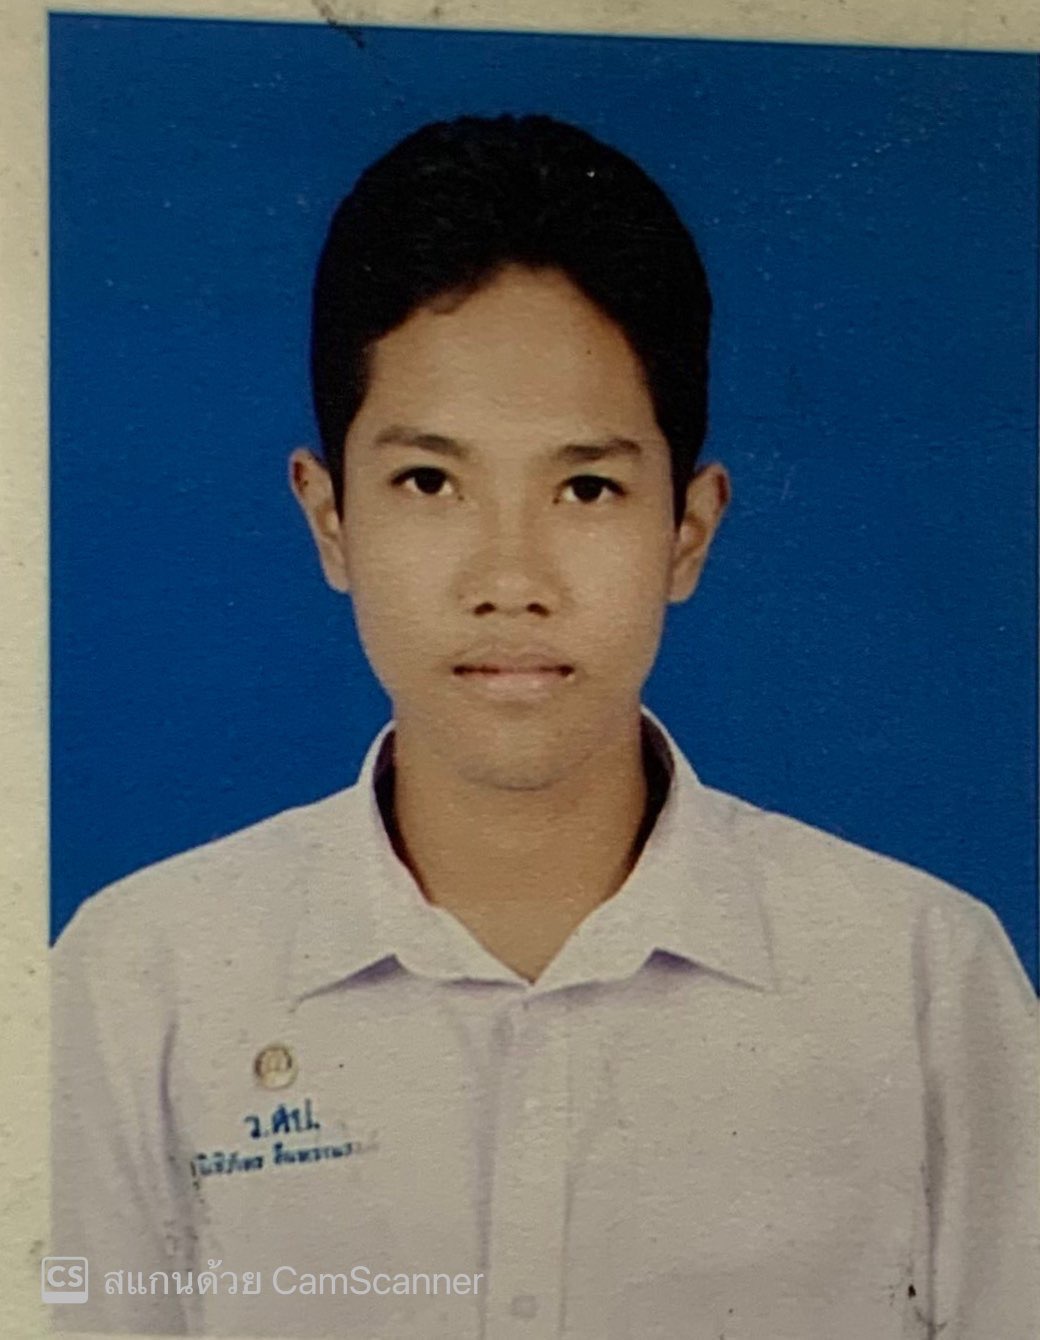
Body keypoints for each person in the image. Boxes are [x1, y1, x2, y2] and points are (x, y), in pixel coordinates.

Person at [51, 113, 1038, 1338]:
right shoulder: (136, 983)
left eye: (584, 487)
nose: (509, 578)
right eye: (429, 481)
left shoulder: (921, 982)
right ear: (328, 518)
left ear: (687, 529)